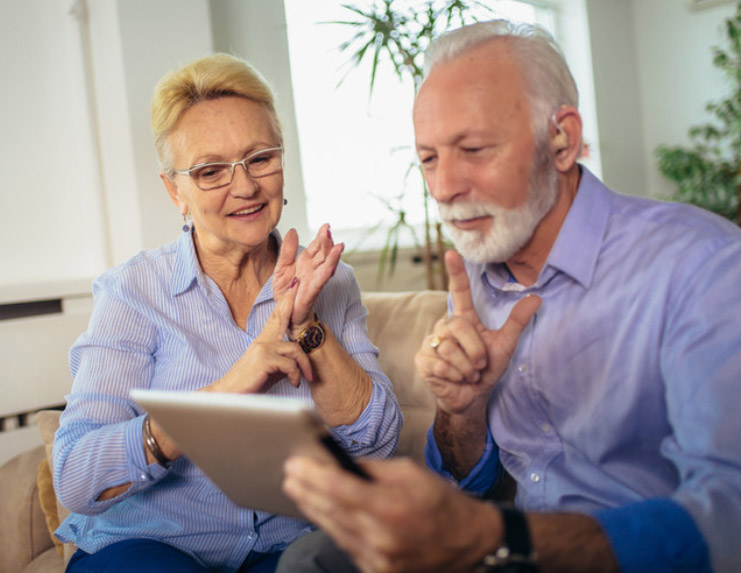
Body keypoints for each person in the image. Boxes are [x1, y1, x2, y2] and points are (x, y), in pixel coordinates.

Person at [278, 19, 741, 573]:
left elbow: (730, 517)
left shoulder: (703, 264)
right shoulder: (475, 268)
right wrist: (463, 409)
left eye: (473, 149)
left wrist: (497, 536)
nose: (445, 187)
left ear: (562, 139)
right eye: (429, 158)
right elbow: (473, 479)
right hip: (505, 550)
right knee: (312, 558)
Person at [52, 53, 402, 573]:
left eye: (260, 158)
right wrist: (221, 396)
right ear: (176, 191)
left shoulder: (330, 282)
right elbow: (76, 476)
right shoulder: (133, 291)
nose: (245, 187)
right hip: (151, 545)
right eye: (210, 171)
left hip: (286, 545)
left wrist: (307, 326)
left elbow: (379, 446)